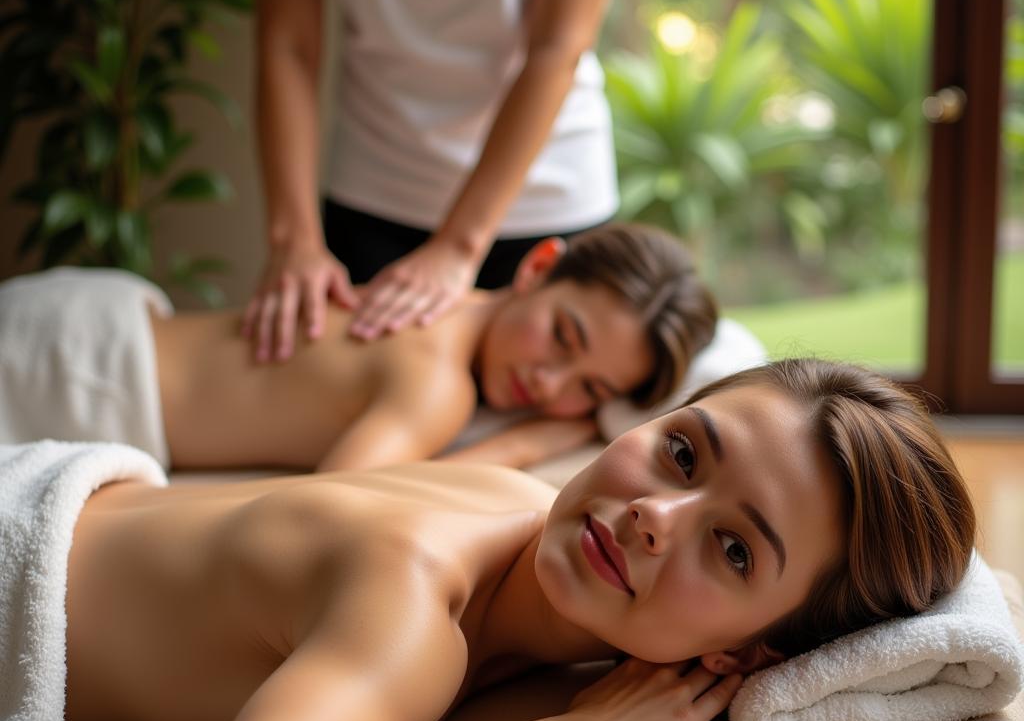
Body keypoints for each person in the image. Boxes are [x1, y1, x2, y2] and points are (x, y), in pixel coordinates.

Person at [56, 358, 975, 721]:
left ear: (752, 653)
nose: (656, 513)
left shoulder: (517, 510)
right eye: (685, 452)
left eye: (732, 548)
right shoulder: (417, 595)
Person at [0, 224, 716, 472]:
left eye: (590, 391)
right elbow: (346, 501)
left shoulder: (421, 293)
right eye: (564, 336)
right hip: (78, 382)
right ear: (535, 267)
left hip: (88, 311)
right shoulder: (439, 383)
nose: (549, 383)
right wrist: (523, 446)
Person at [245, 0, 632, 359]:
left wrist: (459, 246)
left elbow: (559, 47)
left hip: (543, 198)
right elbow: (287, 43)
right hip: (374, 187)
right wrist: (293, 241)